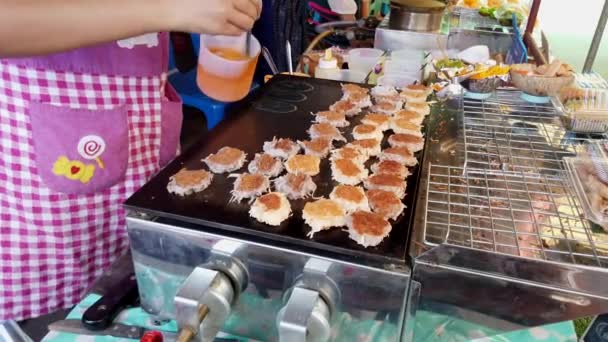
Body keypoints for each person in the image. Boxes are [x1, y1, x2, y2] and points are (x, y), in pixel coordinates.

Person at [0, 0, 262, 322]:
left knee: (148, 284)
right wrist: (171, 9)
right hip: (55, 180)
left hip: (139, 135)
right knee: (71, 317)